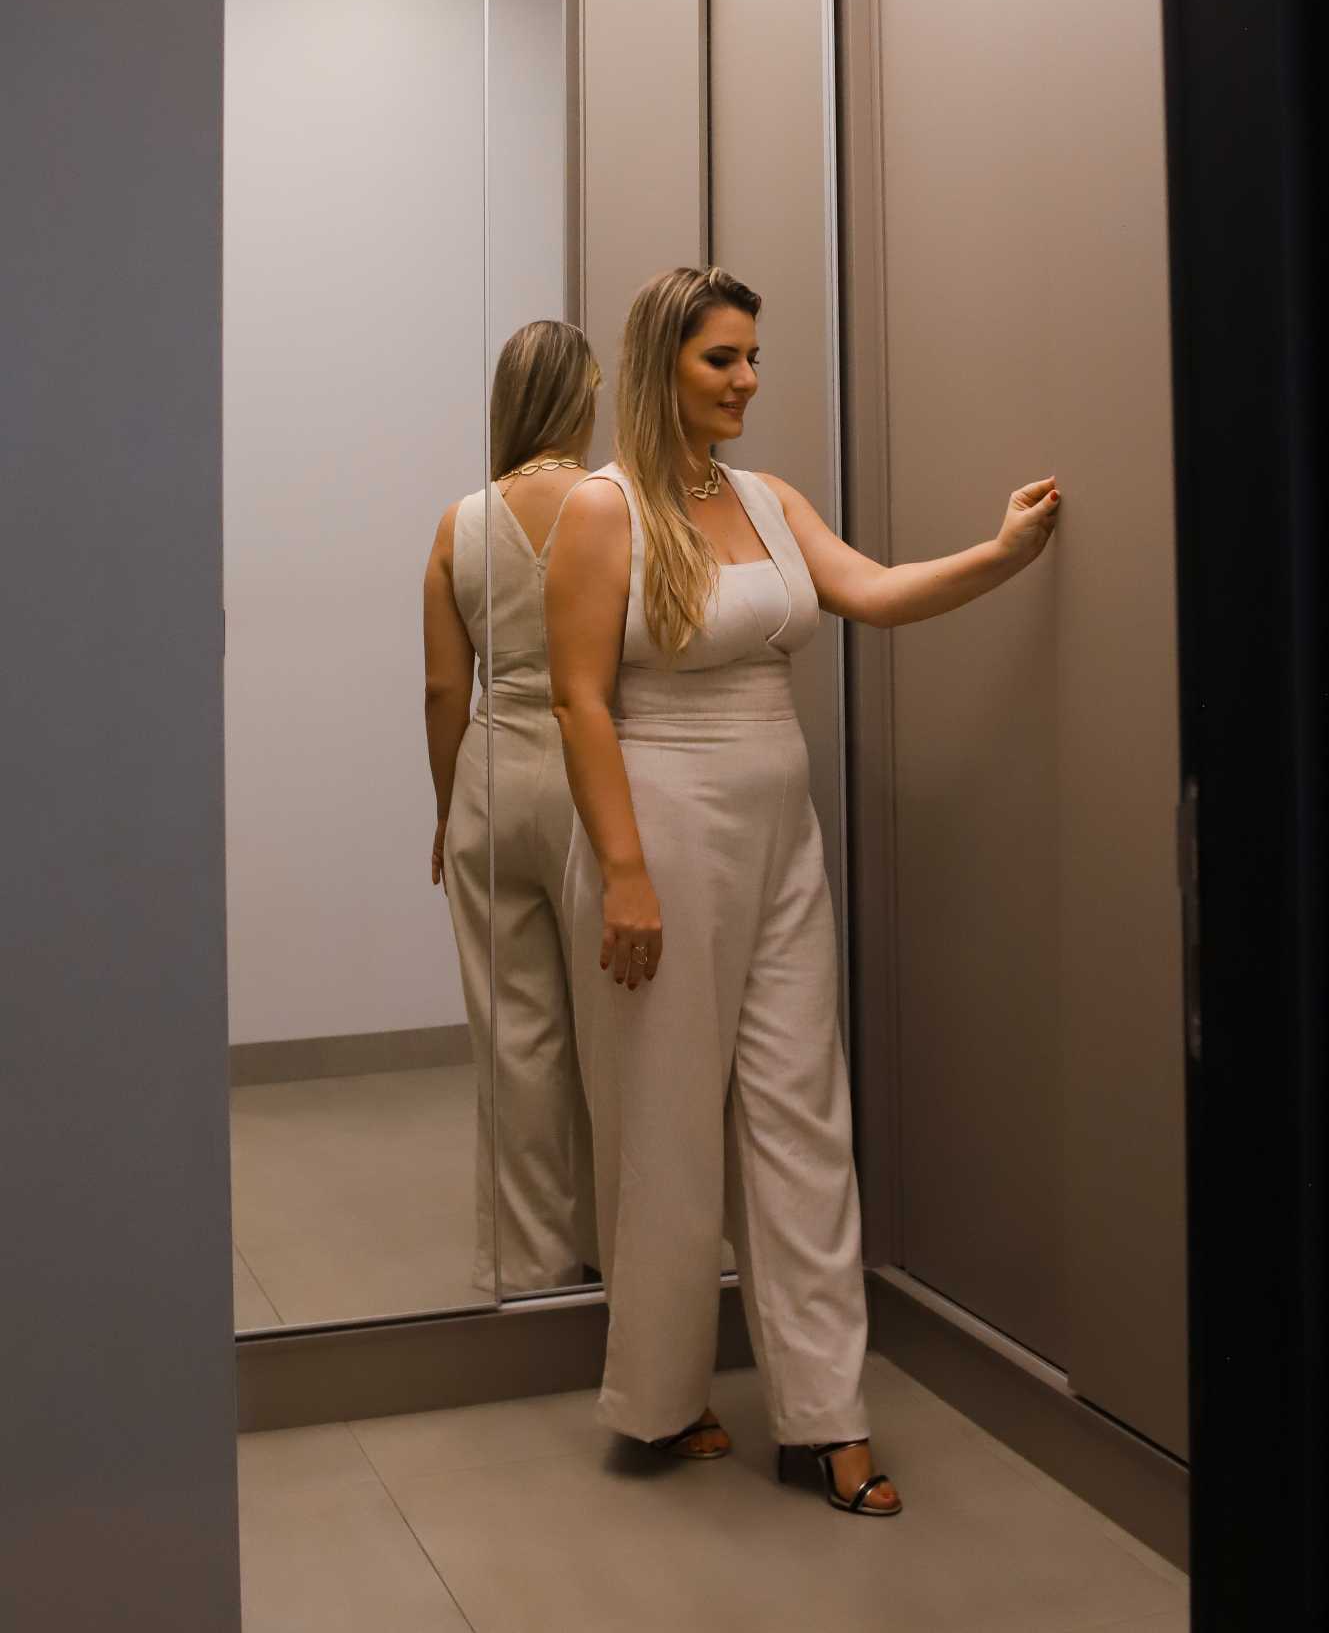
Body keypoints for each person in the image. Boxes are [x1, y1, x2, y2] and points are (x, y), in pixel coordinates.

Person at [547, 265, 1060, 1516]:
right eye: (722, 358)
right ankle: (660, 1396)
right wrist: (624, 872)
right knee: (665, 1123)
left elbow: (872, 592)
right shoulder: (602, 511)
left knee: (802, 1115)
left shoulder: (768, 499)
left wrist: (1002, 551)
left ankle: (825, 1416)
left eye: (753, 357)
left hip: (781, 830)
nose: (747, 380)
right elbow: (578, 699)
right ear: (663, 363)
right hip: (660, 828)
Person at [422, 319, 602, 1296]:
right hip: (594, 776)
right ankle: (624, 1245)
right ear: (582, 398)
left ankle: (532, 1266)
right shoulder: (614, 504)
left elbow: (443, 690)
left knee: (515, 1038)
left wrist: (446, 808)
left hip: (492, 773)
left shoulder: (459, 525)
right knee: (616, 1032)